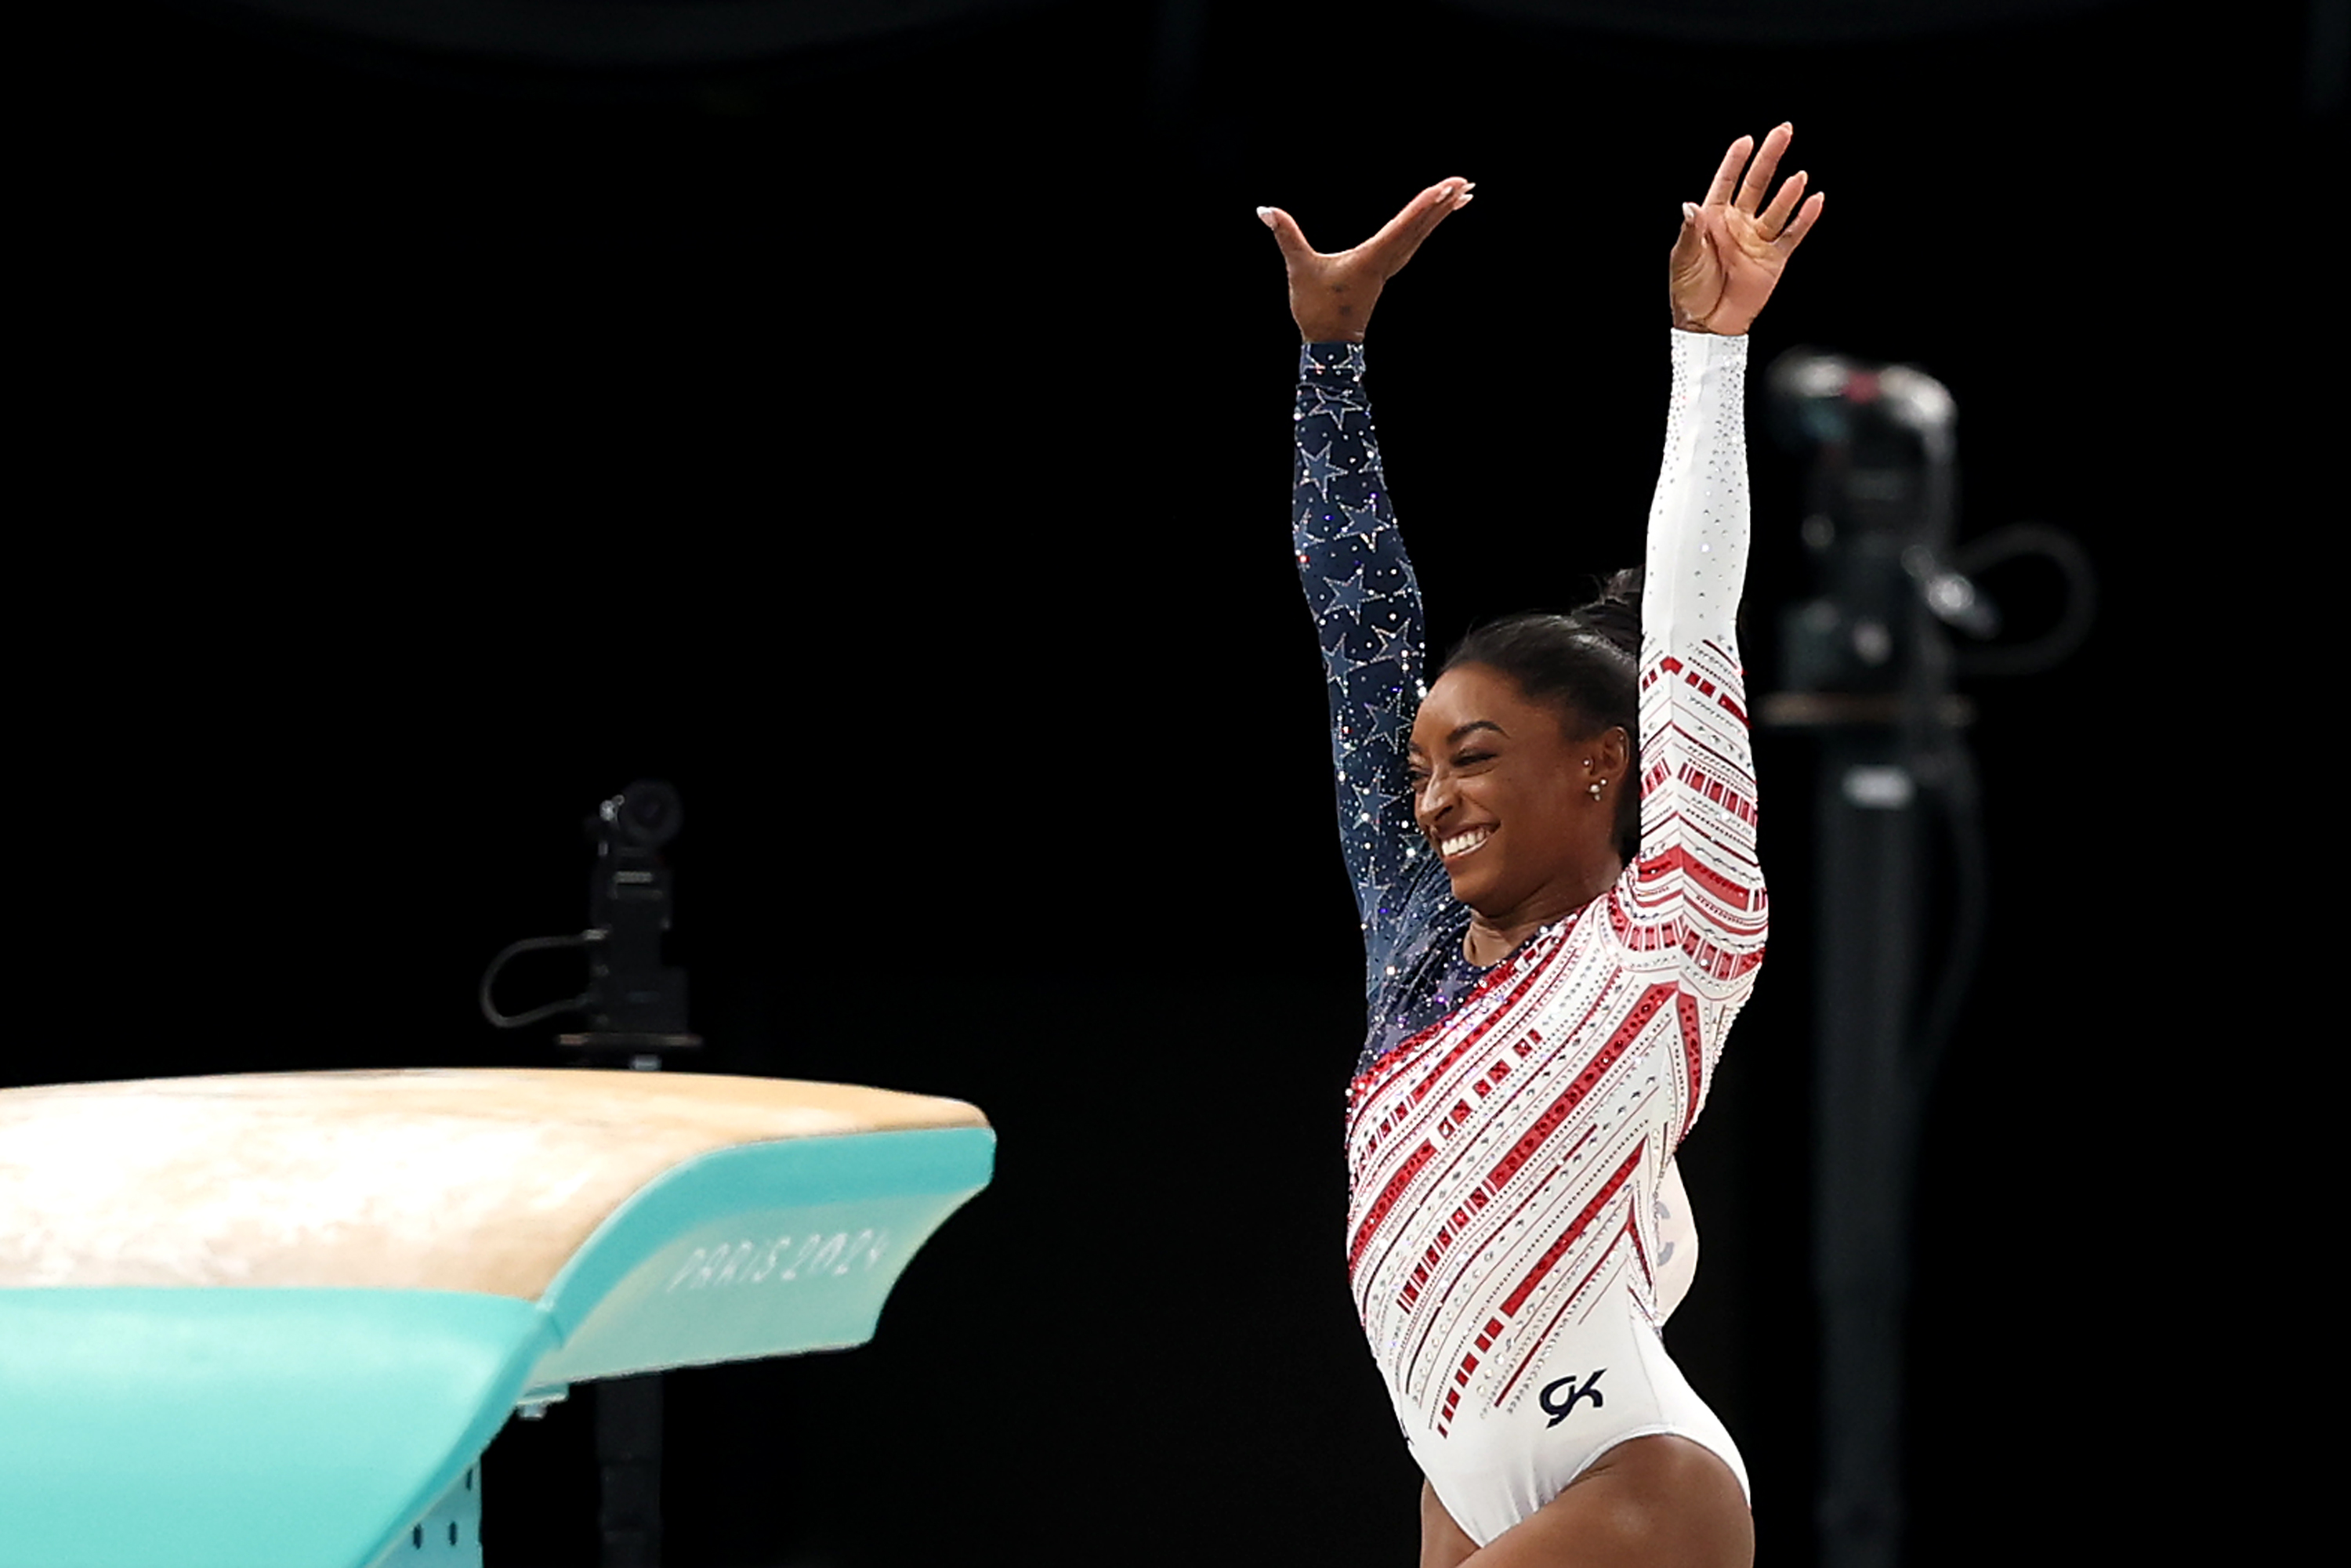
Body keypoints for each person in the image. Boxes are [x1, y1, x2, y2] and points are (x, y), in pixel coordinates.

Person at [1259, 127, 1822, 1567]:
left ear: (1601, 763)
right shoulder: (1415, 943)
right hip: (1455, 1472)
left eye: (1479, 757)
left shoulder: (1673, 929)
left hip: (1633, 1481)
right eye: (1426, 766)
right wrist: (1331, 362)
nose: (1434, 795)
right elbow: (1355, 630)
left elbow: (1697, 619)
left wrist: (1708, 358)